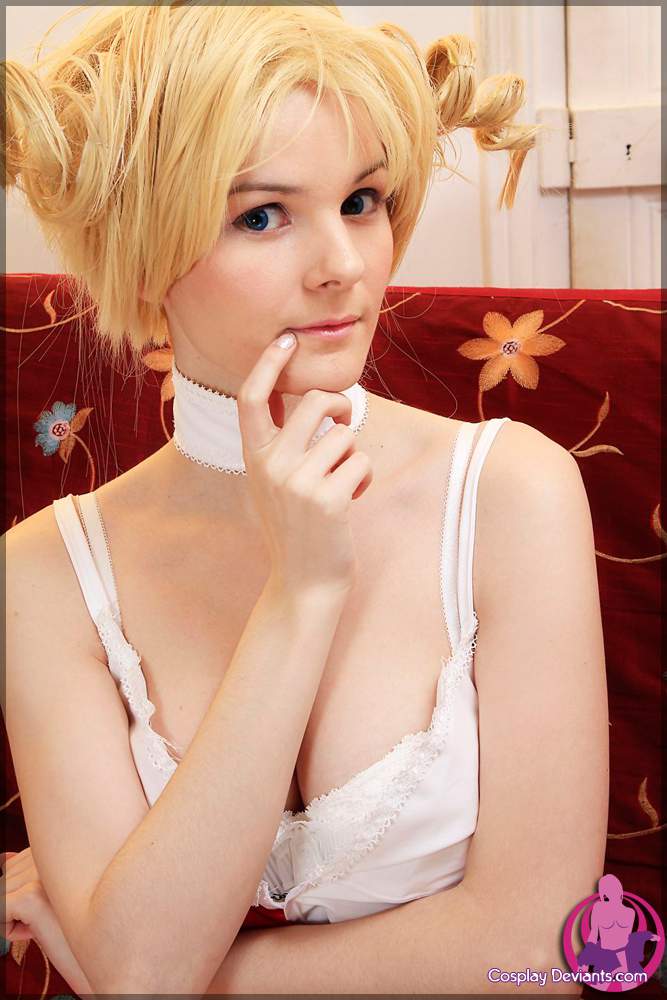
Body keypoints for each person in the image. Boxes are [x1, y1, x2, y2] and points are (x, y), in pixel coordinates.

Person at [2, 4, 609, 995]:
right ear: (142, 254)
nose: (345, 265)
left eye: (361, 199)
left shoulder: (513, 492)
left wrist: (166, 972)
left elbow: (539, 955)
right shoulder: (41, 574)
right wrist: (301, 592)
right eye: (262, 215)